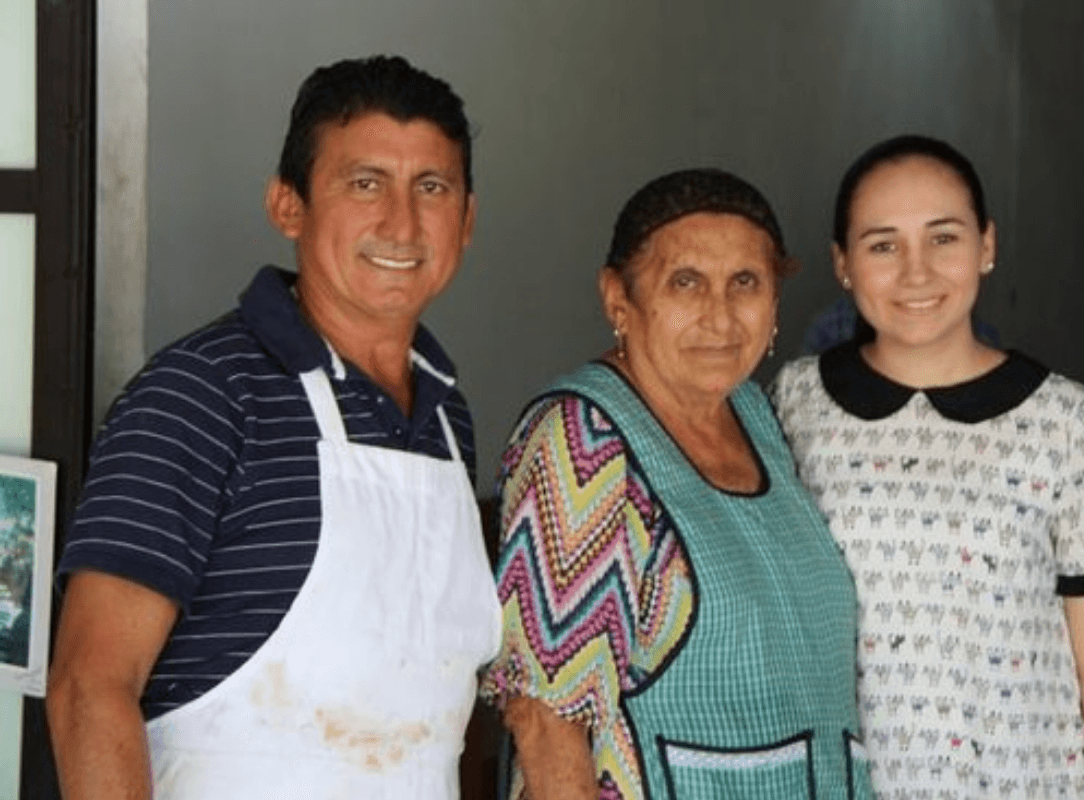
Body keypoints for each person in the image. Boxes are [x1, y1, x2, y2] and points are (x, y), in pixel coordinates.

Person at [46, 55, 500, 799]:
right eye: (364, 183)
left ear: (468, 219)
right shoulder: (200, 395)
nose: (401, 222)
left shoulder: (448, 417)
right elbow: (88, 689)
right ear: (288, 206)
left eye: (432, 187)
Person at [771, 135, 1084, 799]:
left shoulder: (1066, 421)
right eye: (882, 244)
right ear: (843, 264)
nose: (916, 272)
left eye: (944, 238)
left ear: (987, 245)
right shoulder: (793, 405)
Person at [481, 169, 873, 800]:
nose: (719, 316)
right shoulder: (584, 439)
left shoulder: (762, 420)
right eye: (685, 282)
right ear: (618, 299)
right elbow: (544, 719)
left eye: (745, 283)